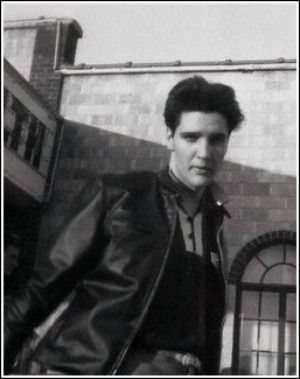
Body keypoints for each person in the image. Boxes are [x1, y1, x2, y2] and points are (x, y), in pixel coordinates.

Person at [4, 76, 244, 375]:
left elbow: (208, 332)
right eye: (191, 137)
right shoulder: (119, 196)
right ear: (170, 137)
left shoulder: (216, 225)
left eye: (216, 139)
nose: (205, 153)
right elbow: (40, 291)